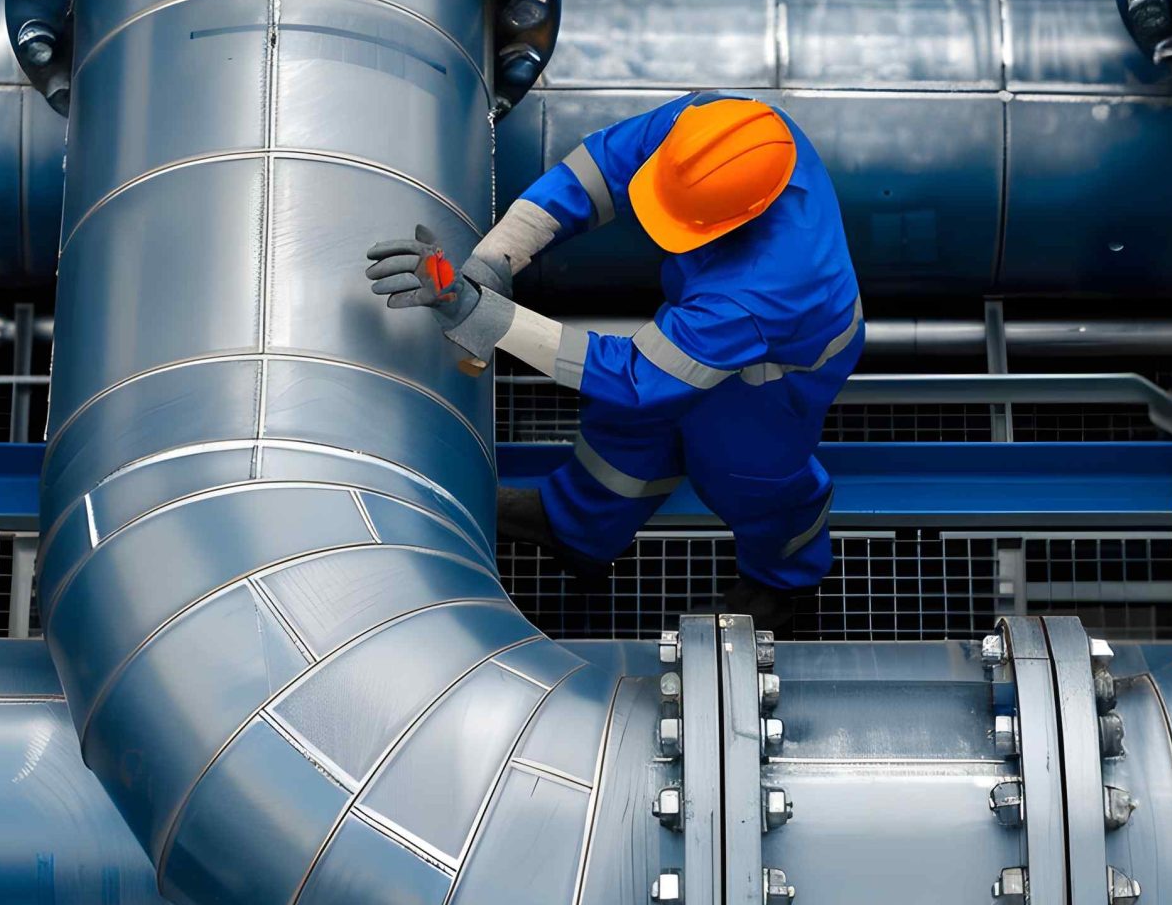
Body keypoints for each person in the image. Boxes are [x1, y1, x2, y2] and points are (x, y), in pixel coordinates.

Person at [365, 93, 862, 633]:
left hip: (779, 370)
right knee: (625, 427)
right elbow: (598, 169)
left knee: (749, 470)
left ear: (743, 219)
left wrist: (486, 317)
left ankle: (782, 582)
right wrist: (498, 255)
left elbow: (636, 376)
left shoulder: (768, 286)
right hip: (707, 318)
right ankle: (576, 529)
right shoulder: (714, 131)